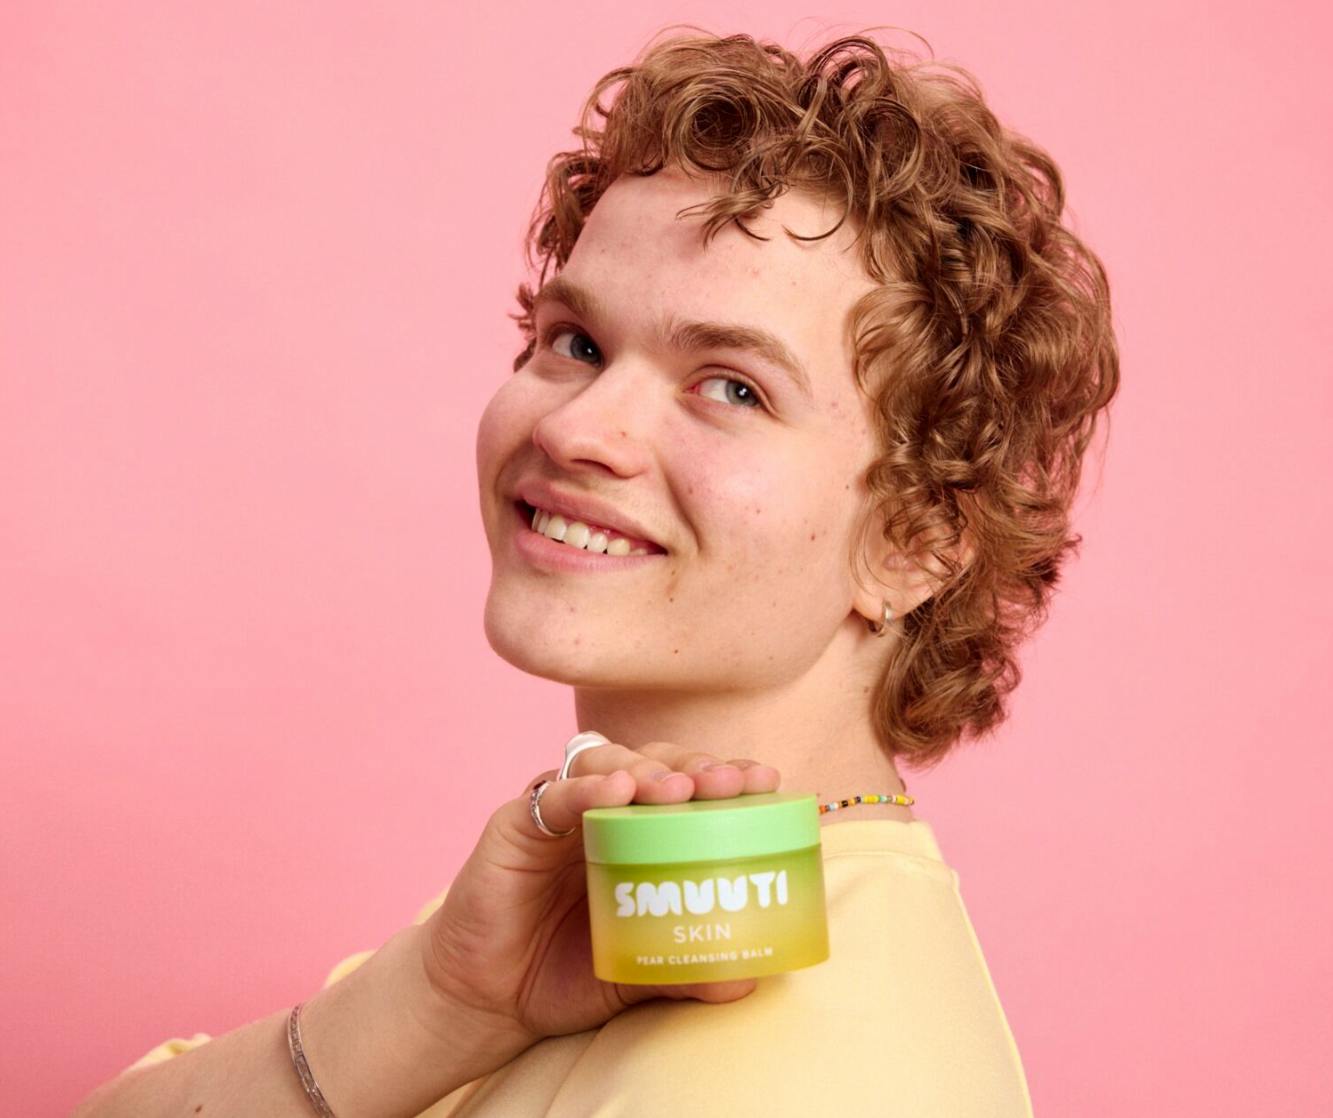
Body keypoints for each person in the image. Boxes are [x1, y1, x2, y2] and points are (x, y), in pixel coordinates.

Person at [74, 26, 1118, 1118]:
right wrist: (434, 1003)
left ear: (915, 541)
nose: (577, 429)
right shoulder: (577, 909)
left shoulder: (817, 1069)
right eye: (575, 341)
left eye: (732, 386)